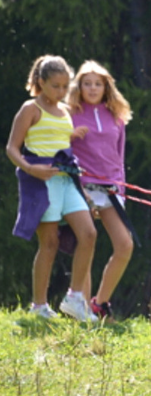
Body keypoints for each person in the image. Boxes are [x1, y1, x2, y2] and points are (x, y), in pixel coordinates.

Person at [6, 55, 99, 322]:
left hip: (66, 180)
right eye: (55, 86)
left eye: (64, 86)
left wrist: (71, 135)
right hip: (40, 182)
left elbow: (56, 141)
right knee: (49, 243)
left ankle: (74, 299)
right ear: (41, 82)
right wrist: (31, 169)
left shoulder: (64, 111)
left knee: (89, 234)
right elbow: (13, 147)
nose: (61, 91)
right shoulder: (30, 109)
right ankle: (39, 306)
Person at [67, 60, 136, 319]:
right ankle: (82, 308)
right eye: (87, 84)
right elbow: (63, 153)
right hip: (82, 187)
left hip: (111, 189)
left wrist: (120, 189)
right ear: (80, 87)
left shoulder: (116, 116)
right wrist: (70, 136)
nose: (93, 88)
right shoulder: (70, 113)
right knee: (87, 241)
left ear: (106, 87)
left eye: (98, 84)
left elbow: (119, 157)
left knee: (124, 245)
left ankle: (100, 303)